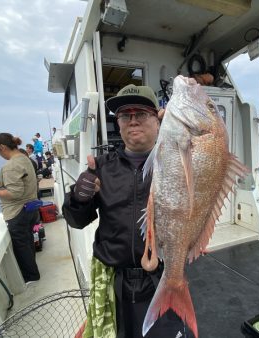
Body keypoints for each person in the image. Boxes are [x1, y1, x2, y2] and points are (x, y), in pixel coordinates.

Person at [62, 85, 193, 338]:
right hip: (113, 283)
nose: (133, 121)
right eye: (125, 115)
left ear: (159, 119)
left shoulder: (178, 164)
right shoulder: (100, 167)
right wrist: (79, 198)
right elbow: (76, 221)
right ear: (119, 124)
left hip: (160, 277)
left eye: (141, 113)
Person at [0, 133, 40, 283]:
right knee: (27, 242)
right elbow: (19, 178)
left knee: (22, 247)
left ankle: (31, 278)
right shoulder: (24, 158)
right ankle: (33, 274)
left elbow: (14, 192)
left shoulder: (10, 166)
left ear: (2, 147)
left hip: (18, 212)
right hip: (30, 209)